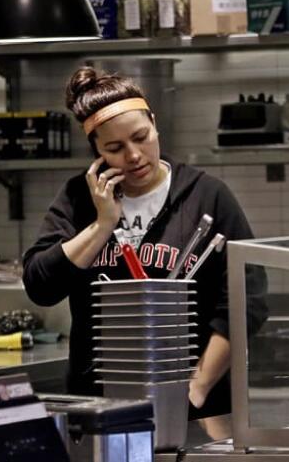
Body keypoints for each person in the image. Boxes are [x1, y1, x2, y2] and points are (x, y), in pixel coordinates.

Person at [22, 66, 268, 418]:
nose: (134, 155)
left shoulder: (207, 196)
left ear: (154, 123)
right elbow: (40, 286)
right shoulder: (79, 199)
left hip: (195, 404)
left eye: (141, 137)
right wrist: (103, 223)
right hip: (99, 403)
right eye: (115, 147)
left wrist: (196, 388)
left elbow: (247, 301)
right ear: (96, 151)